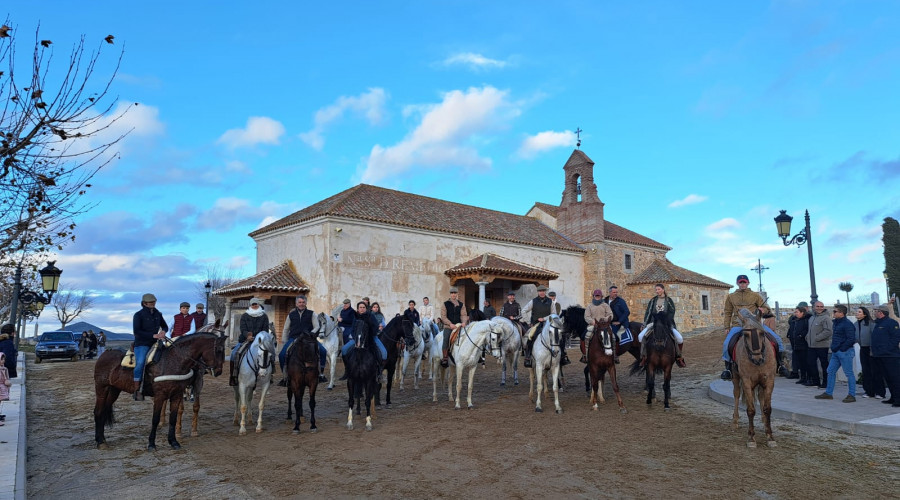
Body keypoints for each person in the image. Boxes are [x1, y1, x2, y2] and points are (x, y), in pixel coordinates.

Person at [721, 308, 788, 380]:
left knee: (778, 339)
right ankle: (728, 369)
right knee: (726, 344)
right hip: (738, 325)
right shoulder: (730, 298)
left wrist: (763, 310)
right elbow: (728, 312)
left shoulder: (756, 296)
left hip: (756, 323)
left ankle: (780, 364)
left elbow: (767, 309)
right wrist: (727, 327)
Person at [279, 295, 327, 385]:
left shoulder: (312, 313)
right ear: (296, 304)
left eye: (303, 302)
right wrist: (284, 341)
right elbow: (286, 329)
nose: (301, 304)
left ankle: (321, 374)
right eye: (299, 302)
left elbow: (317, 326)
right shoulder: (291, 315)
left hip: (309, 338)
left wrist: (311, 333)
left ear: (306, 303)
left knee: (323, 351)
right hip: (294, 338)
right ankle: (285, 376)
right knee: (282, 355)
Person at [815, 304, 857, 402]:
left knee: (849, 373)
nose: (833, 313)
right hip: (836, 352)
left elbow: (851, 338)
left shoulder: (847, 324)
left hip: (844, 352)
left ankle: (852, 395)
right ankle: (829, 393)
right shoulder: (836, 323)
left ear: (841, 313)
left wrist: (842, 348)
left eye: (835, 311)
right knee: (830, 371)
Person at [637, 284, 684, 367]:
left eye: (658, 289)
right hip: (653, 323)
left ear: (663, 289)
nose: (657, 291)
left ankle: (678, 357)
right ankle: (644, 357)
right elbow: (648, 312)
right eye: (656, 290)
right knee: (640, 336)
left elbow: (671, 312)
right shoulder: (652, 300)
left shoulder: (669, 300)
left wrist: (666, 321)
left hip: (666, 324)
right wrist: (645, 324)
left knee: (679, 338)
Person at [132, 293, 168, 401]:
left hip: (156, 342)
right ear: (144, 303)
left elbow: (165, 326)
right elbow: (136, 331)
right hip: (142, 343)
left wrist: (163, 331)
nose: (153, 304)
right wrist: (152, 335)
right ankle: (137, 389)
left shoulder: (158, 314)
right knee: (140, 363)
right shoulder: (138, 315)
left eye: (154, 302)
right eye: (151, 302)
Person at [341, 301, 387, 382]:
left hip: (371, 338)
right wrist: (355, 338)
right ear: (358, 309)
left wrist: (369, 337)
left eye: (363, 307)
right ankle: (347, 370)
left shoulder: (371, 316)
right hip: (357, 339)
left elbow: (375, 327)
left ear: (366, 308)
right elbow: (352, 328)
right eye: (360, 308)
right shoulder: (355, 316)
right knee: (344, 349)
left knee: (384, 353)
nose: (362, 309)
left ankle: (379, 372)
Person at [230, 297, 269, 386]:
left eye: (256, 304)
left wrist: (258, 337)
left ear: (259, 304)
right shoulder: (245, 315)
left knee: (269, 353)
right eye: (253, 304)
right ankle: (233, 376)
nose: (255, 306)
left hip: (260, 341)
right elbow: (242, 328)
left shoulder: (264, 316)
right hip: (245, 340)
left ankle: (270, 375)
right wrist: (248, 335)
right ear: (250, 305)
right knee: (234, 353)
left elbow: (265, 329)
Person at [522, 285, 563, 367]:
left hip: (548, 324)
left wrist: (544, 318)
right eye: (540, 291)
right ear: (538, 292)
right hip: (536, 324)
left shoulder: (550, 302)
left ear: (545, 292)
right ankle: (528, 357)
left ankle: (563, 356)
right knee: (530, 337)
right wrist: (528, 322)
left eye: (543, 291)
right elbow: (524, 311)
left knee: (559, 336)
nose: (542, 293)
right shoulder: (533, 301)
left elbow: (554, 314)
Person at [871, 302, 900, 407]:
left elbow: (895, 338)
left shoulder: (891, 323)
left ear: (881, 312)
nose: (874, 313)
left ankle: (898, 399)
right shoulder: (878, 323)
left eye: (876, 311)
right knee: (888, 378)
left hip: (890, 356)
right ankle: (893, 397)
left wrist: (886, 349)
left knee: (895, 378)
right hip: (880, 356)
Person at [855, 306, 883, 398]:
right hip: (862, 349)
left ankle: (879, 392)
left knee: (875, 371)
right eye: (857, 312)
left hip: (871, 349)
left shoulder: (871, 323)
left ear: (864, 314)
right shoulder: (855, 324)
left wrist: (872, 349)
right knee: (865, 370)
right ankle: (869, 391)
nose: (857, 313)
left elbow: (874, 337)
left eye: (859, 312)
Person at [806, 301, 833, 388]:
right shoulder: (812, 318)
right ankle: (816, 381)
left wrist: (817, 338)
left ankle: (826, 383)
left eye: (821, 306)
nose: (819, 308)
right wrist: (807, 337)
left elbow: (829, 331)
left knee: (824, 364)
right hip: (811, 346)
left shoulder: (826, 318)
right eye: (817, 306)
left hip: (822, 345)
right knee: (811, 363)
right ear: (813, 307)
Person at [582, 289, 613, 363]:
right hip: (593, 325)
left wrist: (605, 319)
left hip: (604, 325)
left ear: (601, 296)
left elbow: (610, 314)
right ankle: (586, 355)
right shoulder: (589, 306)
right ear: (593, 296)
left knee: (613, 337)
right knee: (586, 336)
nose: (597, 297)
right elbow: (587, 316)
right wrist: (592, 321)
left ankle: (614, 356)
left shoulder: (605, 305)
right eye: (596, 296)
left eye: (599, 296)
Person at [440, 287, 469, 367]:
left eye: (455, 293)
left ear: (457, 294)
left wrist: (463, 322)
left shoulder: (461, 304)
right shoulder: (445, 304)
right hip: (449, 326)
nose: (453, 295)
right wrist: (450, 324)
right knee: (446, 338)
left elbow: (463, 315)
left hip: (459, 326)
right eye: (452, 293)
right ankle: (445, 357)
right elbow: (443, 316)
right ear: (450, 294)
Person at [604, 286, 634, 358]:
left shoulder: (621, 301)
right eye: (614, 292)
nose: (616, 294)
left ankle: (614, 354)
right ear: (610, 292)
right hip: (607, 322)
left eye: (616, 292)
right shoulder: (604, 301)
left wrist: (619, 321)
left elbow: (627, 312)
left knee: (613, 335)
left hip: (617, 323)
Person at [787, 303, 811, 384]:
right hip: (796, 345)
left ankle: (808, 378)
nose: (795, 313)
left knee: (805, 362)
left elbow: (806, 330)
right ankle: (803, 377)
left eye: (797, 312)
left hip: (803, 345)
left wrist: (801, 335)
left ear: (802, 313)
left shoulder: (806, 320)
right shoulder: (794, 320)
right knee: (800, 363)